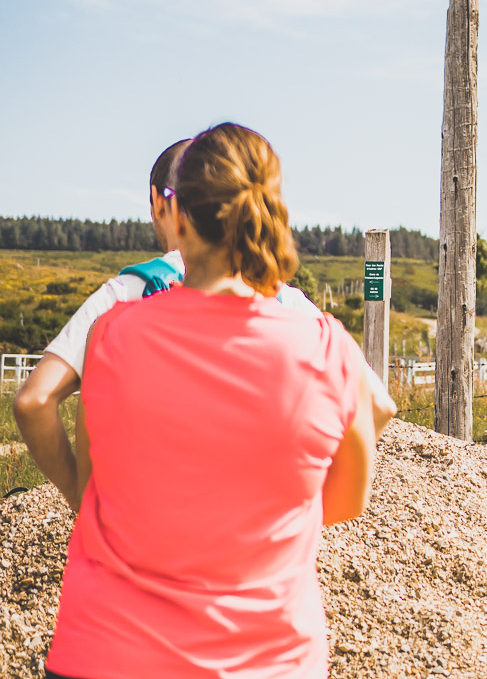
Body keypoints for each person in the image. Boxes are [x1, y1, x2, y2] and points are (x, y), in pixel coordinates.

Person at [47, 122, 387, 679]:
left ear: (176, 216)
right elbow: (348, 501)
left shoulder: (111, 334)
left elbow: (90, 478)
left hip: (106, 652)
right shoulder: (327, 347)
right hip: (270, 660)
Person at [14, 139, 325, 508]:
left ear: (158, 202)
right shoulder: (285, 300)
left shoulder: (126, 294)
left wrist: (82, 502)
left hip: (136, 525)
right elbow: (368, 400)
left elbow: (34, 401)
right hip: (252, 528)